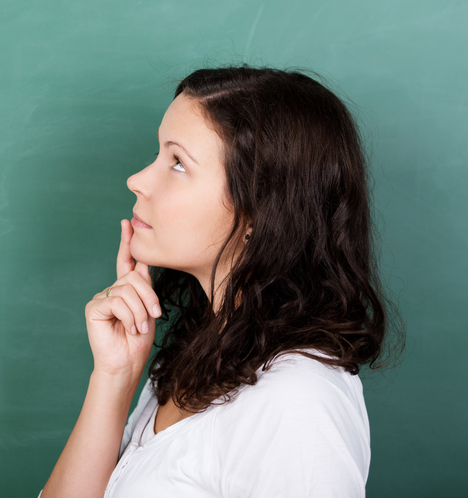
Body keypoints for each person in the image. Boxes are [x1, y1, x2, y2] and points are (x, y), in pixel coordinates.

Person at [41, 66, 400, 498]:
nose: (137, 181)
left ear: (258, 213)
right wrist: (115, 375)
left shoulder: (299, 401)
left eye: (177, 163)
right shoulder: (193, 357)